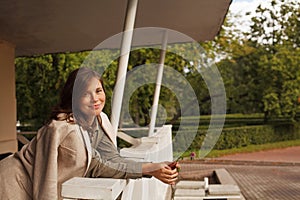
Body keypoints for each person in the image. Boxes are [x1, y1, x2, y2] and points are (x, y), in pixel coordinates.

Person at [0, 67, 179, 200]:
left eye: (98, 91)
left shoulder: (99, 121)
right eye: (86, 94)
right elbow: (45, 182)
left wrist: (151, 167)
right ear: (73, 98)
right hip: (11, 185)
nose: (95, 98)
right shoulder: (60, 129)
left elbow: (107, 163)